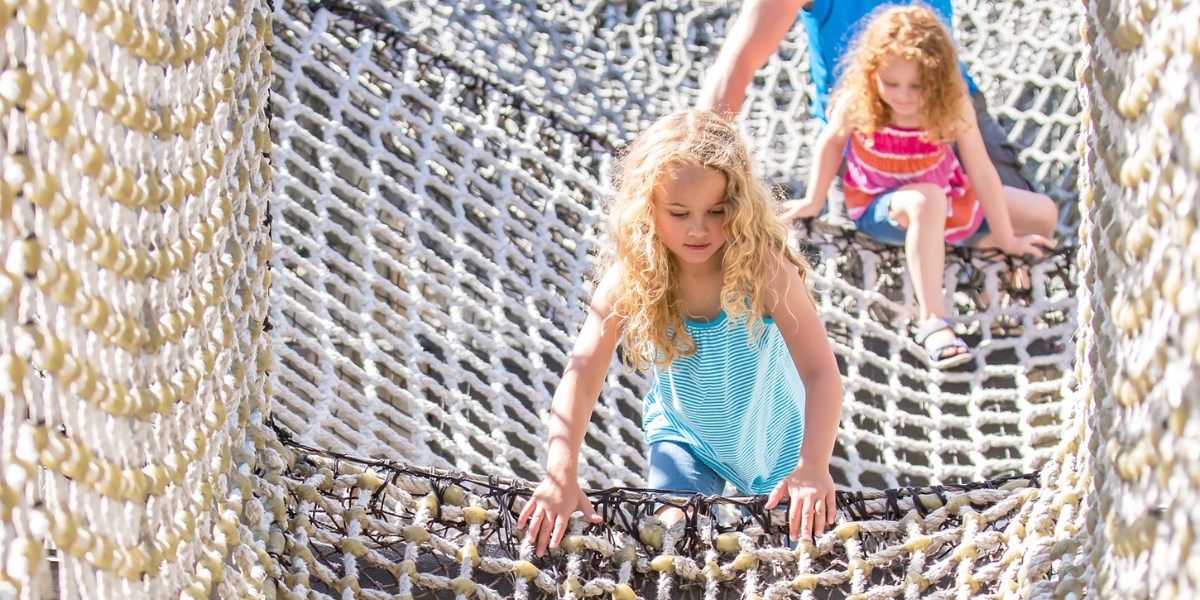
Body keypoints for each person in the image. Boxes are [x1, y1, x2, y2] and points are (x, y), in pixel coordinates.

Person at [516, 110, 844, 556]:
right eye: (678, 212)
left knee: (798, 555)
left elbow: (821, 371)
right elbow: (582, 373)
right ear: (647, 209)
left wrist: (813, 465)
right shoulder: (633, 276)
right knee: (672, 537)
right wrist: (560, 472)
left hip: (775, 441)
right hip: (686, 437)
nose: (698, 228)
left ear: (740, 204)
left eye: (716, 211)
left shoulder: (762, 269)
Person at [778, 6, 1055, 368]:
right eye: (891, 83)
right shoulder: (859, 100)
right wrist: (814, 199)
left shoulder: (953, 106)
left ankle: (1000, 278)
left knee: (1042, 212)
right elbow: (831, 142)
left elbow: (983, 174)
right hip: (881, 207)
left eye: (916, 86)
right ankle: (933, 320)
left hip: (949, 197)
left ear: (936, 80)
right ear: (873, 72)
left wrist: (1006, 237)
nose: (903, 96)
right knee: (927, 201)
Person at [696, 0, 1037, 196]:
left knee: (1018, 228)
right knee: (910, 231)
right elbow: (738, 61)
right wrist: (696, 158)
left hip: (951, 109)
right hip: (869, 130)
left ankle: (1009, 309)